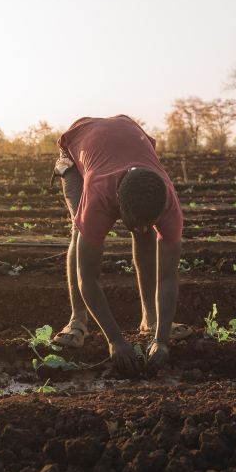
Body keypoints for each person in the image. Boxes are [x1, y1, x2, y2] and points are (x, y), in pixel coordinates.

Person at [49, 115, 187, 374]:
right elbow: (87, 277)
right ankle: (77, 321)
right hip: (80, 144)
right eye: (134, 221)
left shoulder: (167, 202)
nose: (146, 227)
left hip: (129, 137)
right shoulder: (99, 196)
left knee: (143, 232)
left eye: (152, 221)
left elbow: (168, 277)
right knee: (80, 233)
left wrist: (162, 340)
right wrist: (115, 340)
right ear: (118, 206)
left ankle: (151, 319)